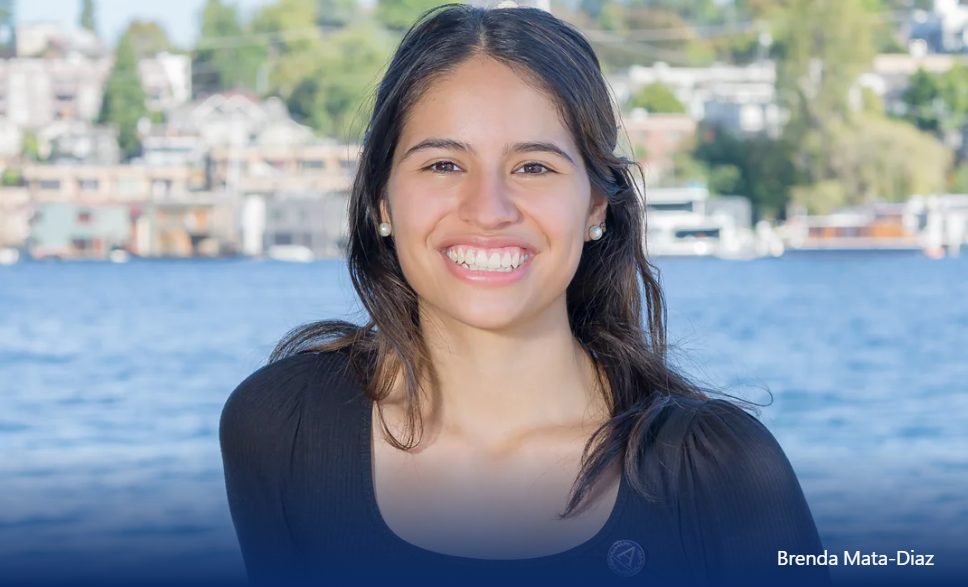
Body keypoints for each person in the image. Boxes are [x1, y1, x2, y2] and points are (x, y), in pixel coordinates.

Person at [219, 3, 831, 587]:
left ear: (596, 206)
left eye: (533, 167)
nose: (488, 210)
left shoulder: (720, 472)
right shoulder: (283, 427)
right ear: (381, 198)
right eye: (443, 165)